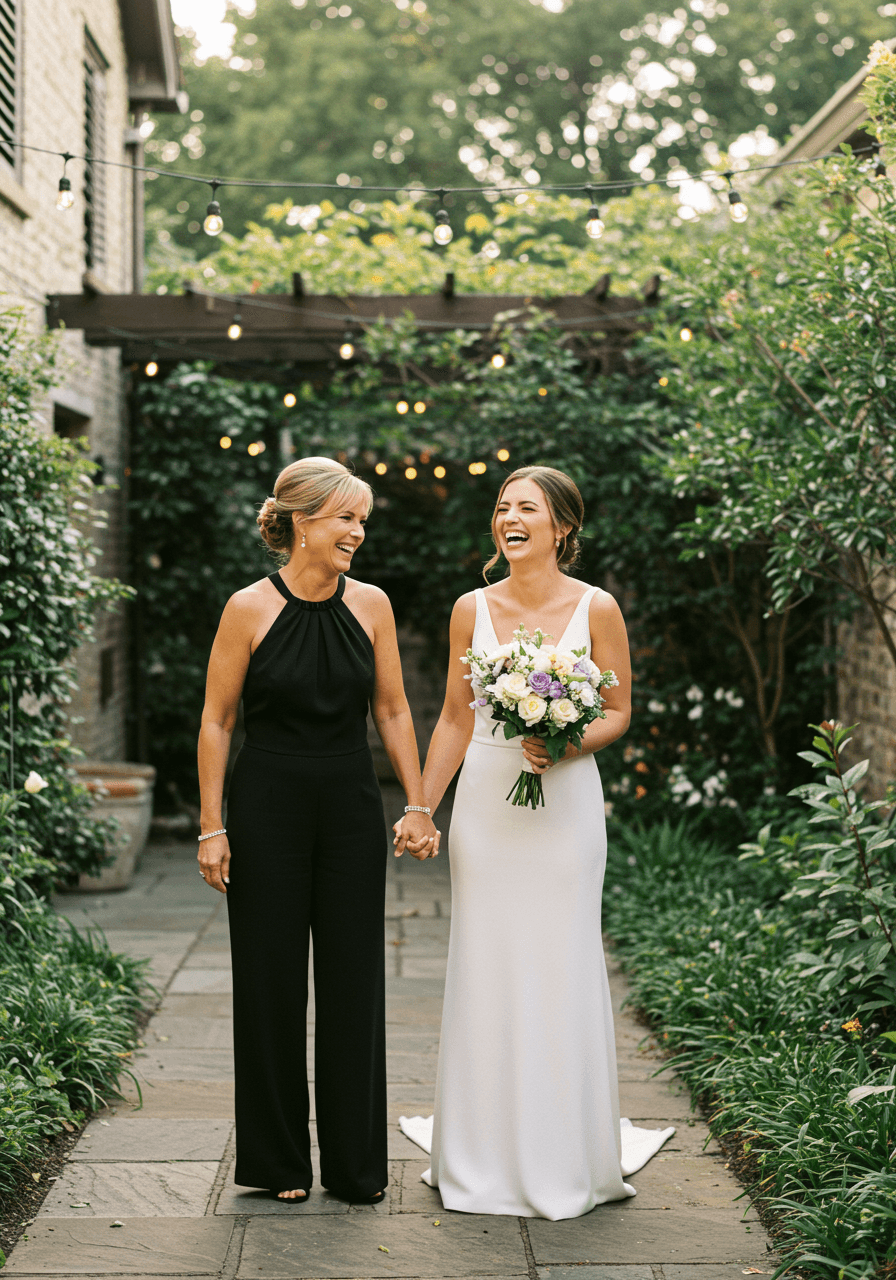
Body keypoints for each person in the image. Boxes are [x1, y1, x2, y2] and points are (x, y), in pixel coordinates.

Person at [197, 456, 439, 1205]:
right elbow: (217, 719)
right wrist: (212, 826)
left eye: (362, 519)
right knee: (267, 984)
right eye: (346, 518)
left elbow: (394, 711)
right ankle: (276, 1165)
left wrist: (419, 802)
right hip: (266, 804)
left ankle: (356, 1167)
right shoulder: (246, 608)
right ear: (301, 521)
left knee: (354, 983)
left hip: (348, 807)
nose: (358, 533)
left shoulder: (373, 607)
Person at [401, 465, 639, 1220]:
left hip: (565, 807)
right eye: (503, 507)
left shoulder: (597, 607)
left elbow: (619, 709)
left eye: (526, 508)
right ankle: (481, 1149)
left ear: (561, 527)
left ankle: (566, 1148)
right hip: (488, 809)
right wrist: (421, 806)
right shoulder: (470, 608)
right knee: (489, 960)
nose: (510, 517)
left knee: (561, 959)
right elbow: (454, 718)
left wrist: (567, 745)